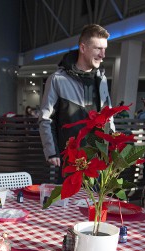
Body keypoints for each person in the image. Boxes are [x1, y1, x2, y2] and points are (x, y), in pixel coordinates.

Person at [38, 24, 112, 177]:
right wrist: (52, 153)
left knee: (97, 201)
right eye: (98, 48)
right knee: (69, 201)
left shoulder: (102, 79)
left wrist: (112, 149)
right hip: (70, 161)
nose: (103, 55)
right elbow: (46, 120)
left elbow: (108, 117)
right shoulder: (57, 80)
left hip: (98, 162)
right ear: (83, 48)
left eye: (104, 49)